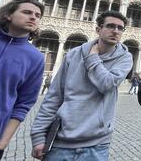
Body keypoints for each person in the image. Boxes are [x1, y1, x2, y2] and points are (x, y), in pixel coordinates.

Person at [30, 11, 133, 160]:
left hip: (97, 144)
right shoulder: (73, 54)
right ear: (98, 29)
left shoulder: (125, 57)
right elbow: (54, 96)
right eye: (110, 26)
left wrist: (92, 57)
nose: (115, 31)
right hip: (60, 141)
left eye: (120, 28)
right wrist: (39, 135)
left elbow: (106, 83)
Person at [0, 0, 45, 161]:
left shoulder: (35, 58)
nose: (33, 17)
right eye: (27, 12)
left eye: (37, 15)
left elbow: (24, 104)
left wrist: (1, 145)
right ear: (8, 15)